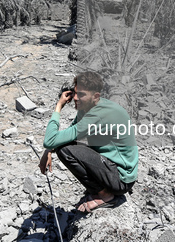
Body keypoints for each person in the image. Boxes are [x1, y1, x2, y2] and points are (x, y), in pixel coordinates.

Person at [38, 71, 138, 212]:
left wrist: (58, 107)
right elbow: (66, 136)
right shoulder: (88, 107)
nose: (76, 98)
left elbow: (50, 140)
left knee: (65, 151)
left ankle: (106, 196)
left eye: (82, 94)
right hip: (113, 167)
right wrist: (49, 150)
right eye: (75, 92)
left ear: (95, 96)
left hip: (121, 179)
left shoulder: (98, 114)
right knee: (65, 146)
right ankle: (102, 189)